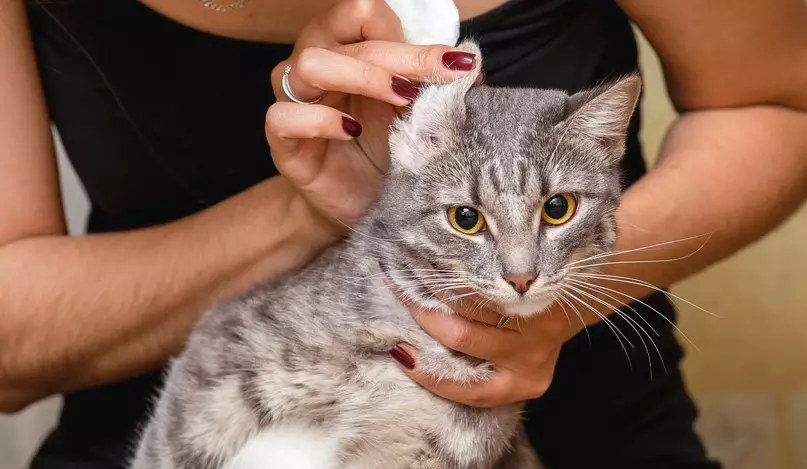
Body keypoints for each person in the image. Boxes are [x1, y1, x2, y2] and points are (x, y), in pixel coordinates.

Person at [1, 0, 806, 467]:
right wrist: (316, 209)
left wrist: (563, 303)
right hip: (175, 433)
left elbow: (777, 104)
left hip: (596, 435)